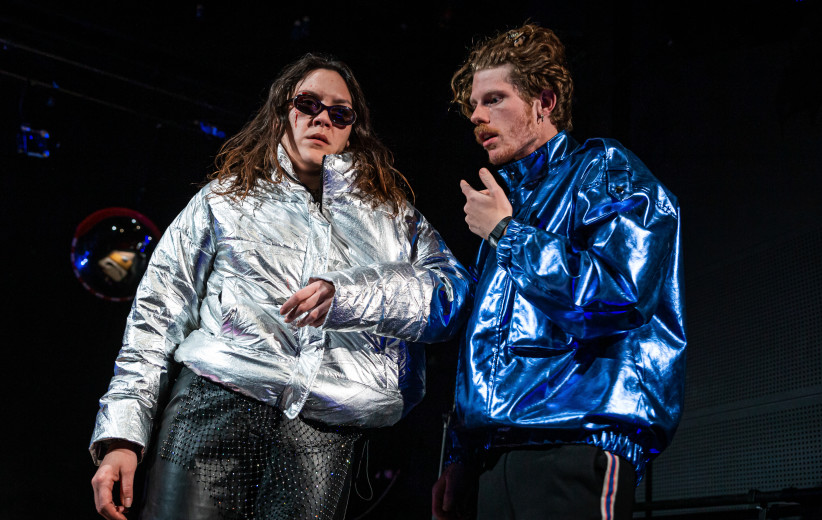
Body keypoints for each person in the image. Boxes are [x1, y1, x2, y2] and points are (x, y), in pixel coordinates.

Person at [90, 53, 471, 520]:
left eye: (340, 113)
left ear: (353, 129)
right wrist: (122, 437)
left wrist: (350, 296)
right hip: (212, 410)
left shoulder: (393, 218)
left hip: (324, 433)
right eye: (308, 104)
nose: (322, 119)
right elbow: (155, 317)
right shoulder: (224, 200)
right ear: (281, 112)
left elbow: (453, 296)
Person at [431, 24, 686, 520]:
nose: (477, 116)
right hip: (494, 460)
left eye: (494, 99)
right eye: (473, 106)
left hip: (577, 446)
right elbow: (482, 347)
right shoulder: (508, 207)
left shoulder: (604, 168)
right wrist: (461, 456)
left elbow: (620, 294)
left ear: (544, 102)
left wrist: (507, 234)